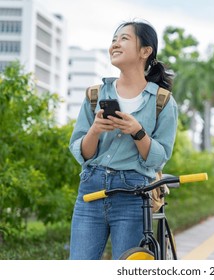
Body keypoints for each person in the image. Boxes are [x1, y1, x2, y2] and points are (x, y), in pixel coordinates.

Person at [68, 20, 178, 260]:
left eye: (124, 38)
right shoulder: (95, 95)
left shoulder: (162, 101)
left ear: (145, 51)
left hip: (134, 195)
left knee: (129, 268)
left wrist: (138, 132)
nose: (115, 44)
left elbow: (159, 158)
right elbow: (81, 153)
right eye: (113, 39)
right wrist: (95, 130)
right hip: (91, 190)